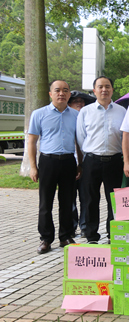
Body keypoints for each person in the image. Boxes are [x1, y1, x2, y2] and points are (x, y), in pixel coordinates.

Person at [28, 80, 82, 254]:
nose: (61, 93)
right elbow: (32, 141)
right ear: (50, 94)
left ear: (69, 94)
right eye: (57, 90)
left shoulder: (76, 115)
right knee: (46, 203)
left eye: (65, 90)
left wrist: (80, 164)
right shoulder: (39, 114)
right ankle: (46, 238)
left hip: (68, 162)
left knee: (67, 202)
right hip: (48, 162)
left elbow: (79, 142)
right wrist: (33, 167)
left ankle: (65, 236)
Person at [76, 76, 126, 243]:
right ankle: (91, 235)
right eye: (100, 87)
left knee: (115, 199)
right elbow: (81, 137)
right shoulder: (85, 112)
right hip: (92, 161)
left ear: (112, 89)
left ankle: (113, 234)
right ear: (94, 90)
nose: (104, 90)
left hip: (115, 161)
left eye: (107, 86)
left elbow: (125, 137)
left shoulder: (122, 111)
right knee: (90, 199)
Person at [67, 91, 95, 237]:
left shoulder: (89, 117)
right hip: (69, 163)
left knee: (86, 197)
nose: (79, 103)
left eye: (82, 101)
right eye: (76, 101)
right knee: (69, 198)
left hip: (86, 162)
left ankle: (85, 226)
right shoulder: (66, 118)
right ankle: (71, 227)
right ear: (69, 104)